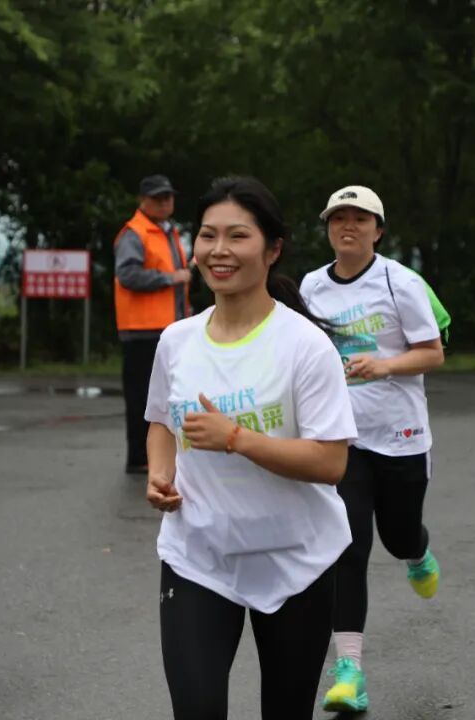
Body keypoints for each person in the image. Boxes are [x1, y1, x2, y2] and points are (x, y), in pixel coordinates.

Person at [144, 176, 358, 719]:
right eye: (208, 235)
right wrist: (160, 473)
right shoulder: (176, 341)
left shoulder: (305, 346)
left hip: (296, 559)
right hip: (198, 555)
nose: (219, 250)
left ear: (272, 248)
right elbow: (161, 422)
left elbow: (331, 461)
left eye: (237, 236)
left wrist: (237, 439)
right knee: (197, 709)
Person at [300, 185, 447, 713]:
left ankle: (417, 552)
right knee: (349, 547)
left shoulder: (400, 282)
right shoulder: (312, 286)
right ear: (327, 228)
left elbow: (433, 353)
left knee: (398, 535)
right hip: (344, 438)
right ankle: (350, 673)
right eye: (338, 217)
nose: (348, 226)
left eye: (360, 219)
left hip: (401, 435)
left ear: (378, 231)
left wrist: (384, 366)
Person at [113, 174, 191, 474]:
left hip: (168, 327)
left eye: (168, 197)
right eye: (158, 198)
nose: (164, 202)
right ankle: (138, 458)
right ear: (143, 201)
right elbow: (127, 275)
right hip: (142, 330)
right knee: (142, 397)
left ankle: (161, 456)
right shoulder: (135, 233)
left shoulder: (167, 231)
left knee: (167, 395)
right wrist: (170, 278)